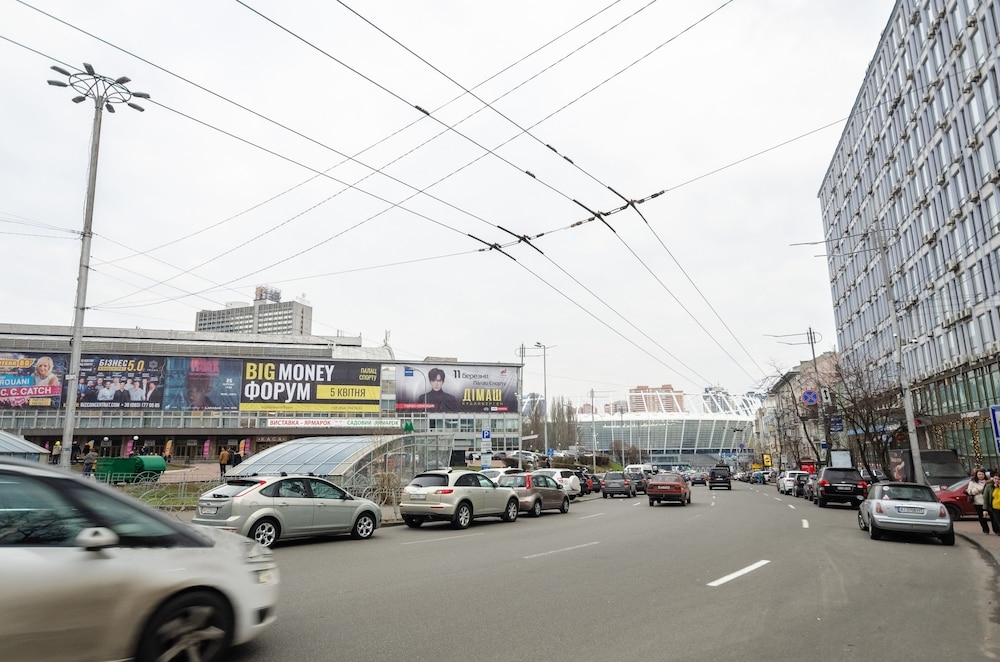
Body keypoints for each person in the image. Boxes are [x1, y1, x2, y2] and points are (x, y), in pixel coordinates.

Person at [966, 469, 991, 534]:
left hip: (988, 502)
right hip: (978, 502)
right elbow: (969, 491)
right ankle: (985, 529)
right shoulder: (972, 482)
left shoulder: (988, 482)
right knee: (981, 516)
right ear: (976, 475)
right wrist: (977, 490)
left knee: (993, 516)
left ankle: (996, 529)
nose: (981, 476)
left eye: (982, 474)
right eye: (979, 474)